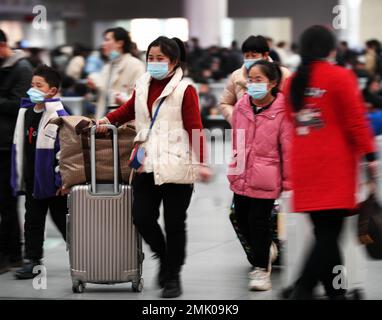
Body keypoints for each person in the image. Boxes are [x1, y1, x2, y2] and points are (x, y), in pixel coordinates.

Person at [96, 36, 213, 298]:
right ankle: (164, 256)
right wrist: (104, 119)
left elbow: (195, 127)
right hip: (146, 161)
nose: (154, 62)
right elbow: (128, 110)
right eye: (151, 57)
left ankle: (173, 276)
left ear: (173, 61)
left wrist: (202, 161)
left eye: (160, 58)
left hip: (177, 163)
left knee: (174, 223)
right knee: (141, 216)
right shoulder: (142, 83)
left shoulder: (185, 89)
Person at [284, 25, 377, 300]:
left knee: (324, 232)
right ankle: (303, 288)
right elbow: (356, 122)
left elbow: (294, 119)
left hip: (304, 165)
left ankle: (335, 291)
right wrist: (370, 156)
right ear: (331, 48)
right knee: (328, 235)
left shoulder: (293, 82)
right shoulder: (341, 77)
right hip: (334, 167)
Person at [228, 60, 292, 291]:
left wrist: (288, 181)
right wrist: (234, 167)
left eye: (259, 80)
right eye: (250, 79)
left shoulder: (283, 111)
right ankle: (266, 251)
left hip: (267, 175)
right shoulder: (242, 106)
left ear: (273, 83)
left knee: (258, 222)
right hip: (242, 173)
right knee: (240, 218)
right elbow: (236, 140)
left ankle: (261, 270)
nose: (253, 84)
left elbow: (288, 147)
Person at [11, 65, 69, 279]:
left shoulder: (60, 115)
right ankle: (33, 261)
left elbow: (66, 151)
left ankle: (85, 255)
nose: (32, 89)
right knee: (33, 221)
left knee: (64, 221)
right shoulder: (25, 112)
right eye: (32, 85)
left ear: (52, 90)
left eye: (39, 85)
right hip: (32, 180)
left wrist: (62, 178)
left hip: (53, 183)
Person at [0, 29, 33, 275]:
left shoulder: (22, 69)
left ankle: (13, 254)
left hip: (8, 144)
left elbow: (21, 106)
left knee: (7, 201)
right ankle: (10, 252)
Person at [219, 35, 291, 124]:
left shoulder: (283, 73)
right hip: (244, 130)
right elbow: (225, 103)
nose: (250, 59)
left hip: (273, 129)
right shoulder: (236, 76)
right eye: (246, 56)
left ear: (265, 55)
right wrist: (237, 120)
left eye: (254, 55)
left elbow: (290, 103)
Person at [87, 27, 145, 118]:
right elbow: (104, 95)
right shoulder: (108, 66)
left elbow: (140, 98)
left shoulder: (136, 65)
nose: (103, 44)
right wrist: (94, 87)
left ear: (120, 43)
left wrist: (124, 100)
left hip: (124, 121)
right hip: (104, 120)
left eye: (107, 40)